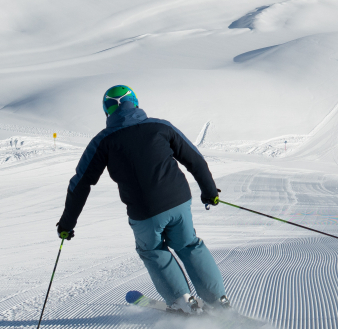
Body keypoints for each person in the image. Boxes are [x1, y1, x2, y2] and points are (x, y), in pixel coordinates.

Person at [57, 85, 230, 313]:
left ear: (107, 111)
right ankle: (218, 301)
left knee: (153, 251)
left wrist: (67, 224)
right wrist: (209, 192)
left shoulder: (103, 141)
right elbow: (195, 159)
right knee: (188, 245)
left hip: (144, 211)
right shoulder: (161, 126)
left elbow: (80, 184)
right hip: (178, 201)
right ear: (135, 103)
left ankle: (183, 302)